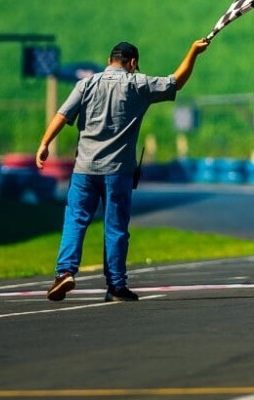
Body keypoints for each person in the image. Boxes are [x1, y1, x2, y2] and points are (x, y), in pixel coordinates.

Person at [37, 39, 209, 302]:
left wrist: (45, 143)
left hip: (84, 169)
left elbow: (62, 115)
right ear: (133, 63)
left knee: (75, 220)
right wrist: (193, 52)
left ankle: (65, 272)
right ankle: (116, 286)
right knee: (115, 227)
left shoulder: (86, 83)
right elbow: (176, 82)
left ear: (109, 61)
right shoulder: (137, 84)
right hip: (117, 171)